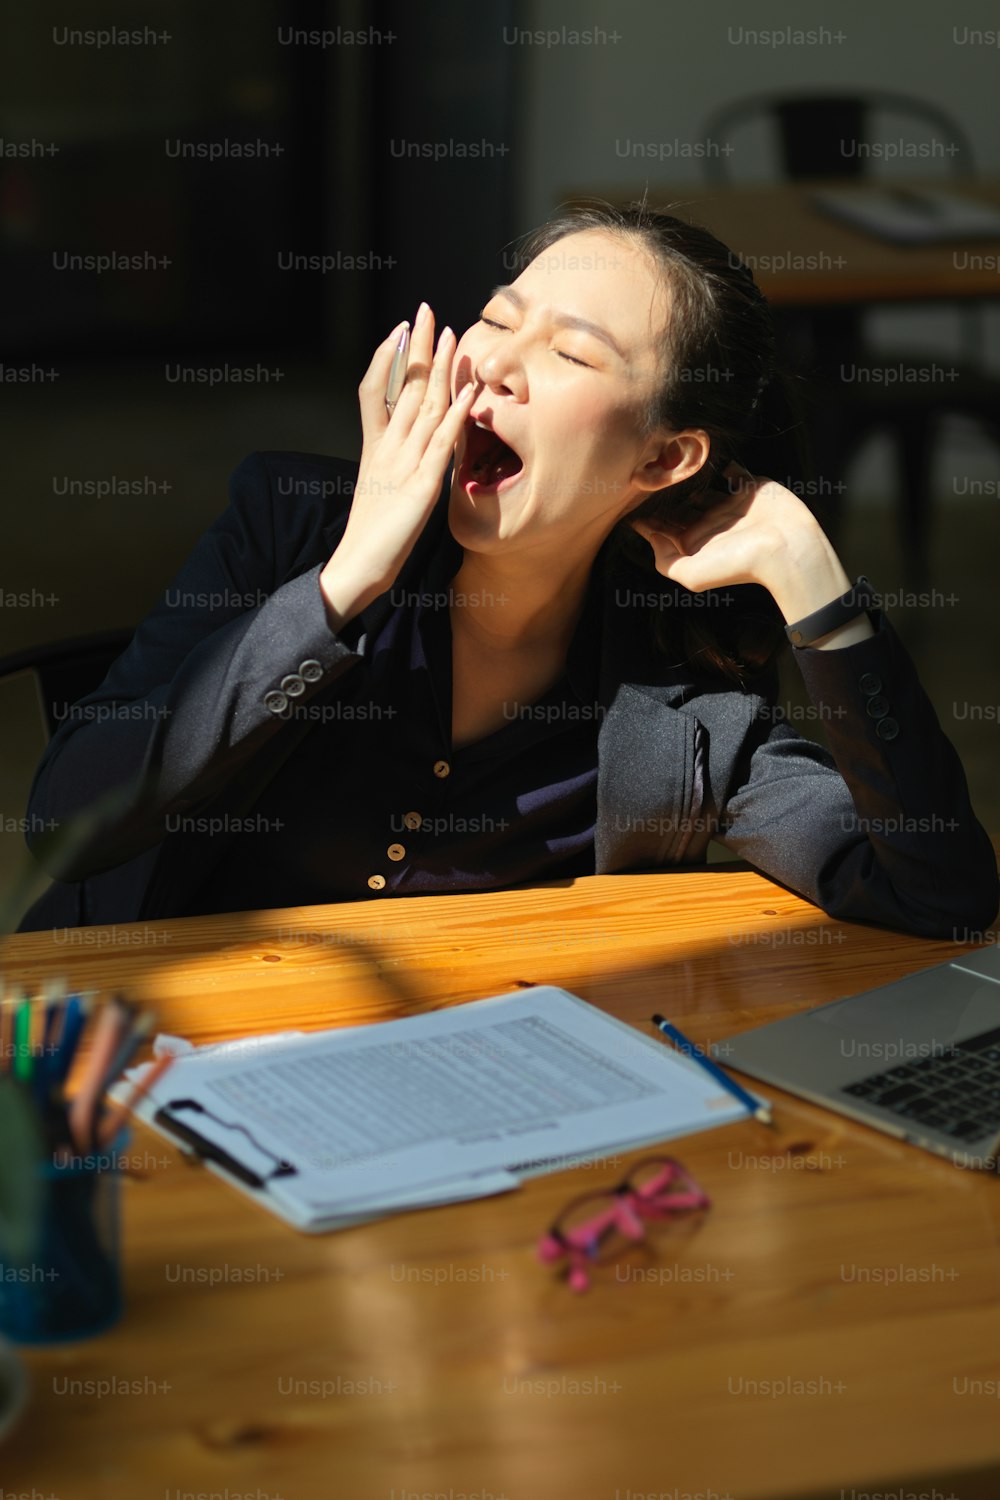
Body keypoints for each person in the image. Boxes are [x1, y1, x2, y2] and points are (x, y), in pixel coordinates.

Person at [16, 202, 998, 938]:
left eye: (570, 353)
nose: (494, 363)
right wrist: (343, 582)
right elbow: (68, 823)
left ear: (662, 459)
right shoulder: (291, 524)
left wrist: (814, 587)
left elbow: (938, 896)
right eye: (496, 317)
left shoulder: (684, 700)